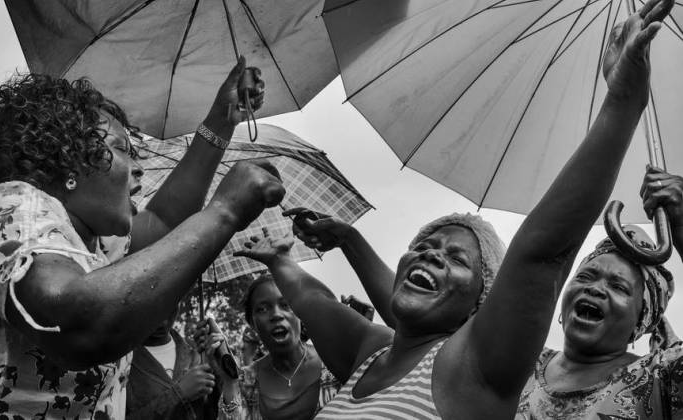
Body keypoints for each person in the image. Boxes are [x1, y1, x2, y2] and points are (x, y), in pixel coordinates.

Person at [232, 1, 673, 418]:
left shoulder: (474, 368)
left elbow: (544, 252)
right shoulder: (370, 353)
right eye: (424, 244)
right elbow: (311, 299)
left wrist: (623, 102)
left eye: (458, 258)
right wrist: (279, 259)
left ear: (483, 302)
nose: (431, 254)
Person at [0, 56, 284, 419]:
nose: (139, 167)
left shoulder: (96, 244)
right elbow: (78, 325)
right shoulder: (8, 209)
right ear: (67, 158)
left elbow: (164, 220)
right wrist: (224, 211)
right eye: (121, 149)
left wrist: (222, 121)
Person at [515, 166, 683, 419]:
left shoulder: (663, 377)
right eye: (585, 276)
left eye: (618, 287)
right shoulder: (518, 364)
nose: (594, 288)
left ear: (641, 318)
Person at [195, 274, 341, 420]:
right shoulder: (245, 383)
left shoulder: (335, 364)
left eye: (286, 305)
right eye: (262, 309)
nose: (276, 315)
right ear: (252, 324)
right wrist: (230, 381)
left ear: (300, 312)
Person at [126, 310, 220, 420]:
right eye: (156, 307)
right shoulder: (119, 361)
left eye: (170, 305)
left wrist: (219, 372)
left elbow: (214, 413)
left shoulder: (196, 355)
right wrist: (178, 394)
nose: (163, 322)